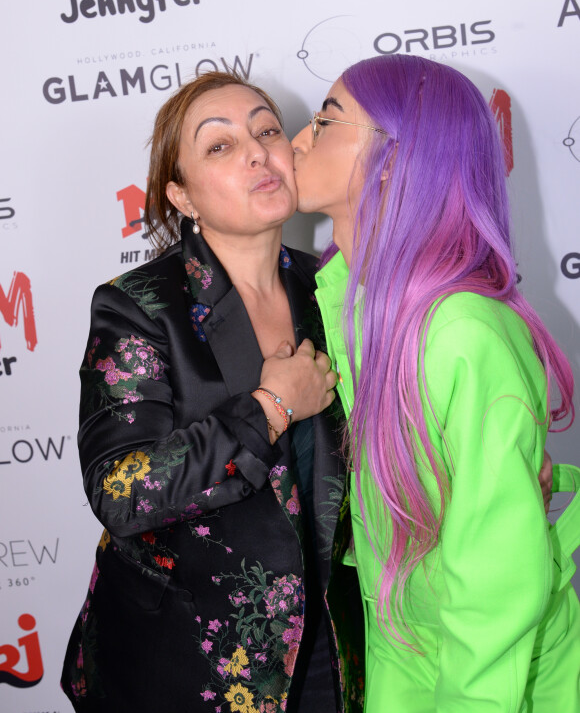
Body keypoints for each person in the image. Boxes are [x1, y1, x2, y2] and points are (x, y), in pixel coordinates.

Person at [61, 71, 364, 713]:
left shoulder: (331, 290)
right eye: (219, 146)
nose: (257, 151)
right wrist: (268, 410)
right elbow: (122, 490)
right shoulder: (140, 307)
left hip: (327, 649)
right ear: (183, 194)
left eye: (267, 130)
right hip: (184, 659)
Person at [292, 54, 580, 712]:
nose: (299, 138)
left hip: (494, 677)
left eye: (327, 119)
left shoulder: (461, 332)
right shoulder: (354, 303)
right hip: (408, 650)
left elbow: (497, 591)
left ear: (393, 158)